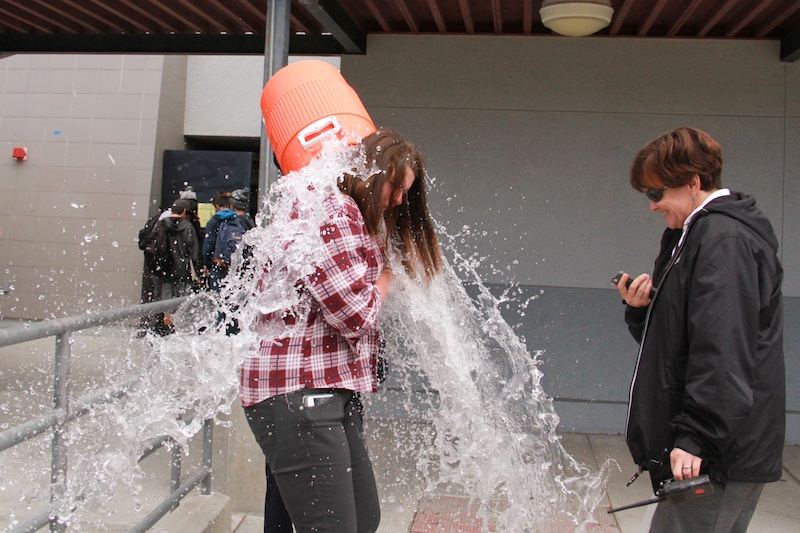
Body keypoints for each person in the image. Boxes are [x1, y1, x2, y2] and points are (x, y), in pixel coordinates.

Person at [242, 128, 442, 533]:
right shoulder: (333, 212)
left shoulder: (346, 212)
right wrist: (385, 276)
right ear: (372, 172)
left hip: (325, 390)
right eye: (395, 188)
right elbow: (355, 315)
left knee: (364, 518)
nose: (399, 200)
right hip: (298, 392)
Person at [615, 127, 785, 533]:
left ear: (693, 183)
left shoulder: (723, 240)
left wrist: (696, 437)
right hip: (716, 443)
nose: (652, 206)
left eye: (656, 194)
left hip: (720, 452)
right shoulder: (694, 235)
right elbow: (685, 347)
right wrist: (642, 311)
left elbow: (724, 352)